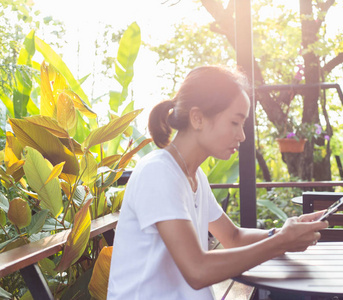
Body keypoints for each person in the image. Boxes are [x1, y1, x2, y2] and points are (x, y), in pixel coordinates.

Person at [107, 65, 328, 299]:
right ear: (198, 118)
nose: (242, 135)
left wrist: (282, 233)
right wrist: (281, 242)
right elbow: (197, 270)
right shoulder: (158, 172)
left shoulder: (194, 176)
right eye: (235, 122)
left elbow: (233, 237)